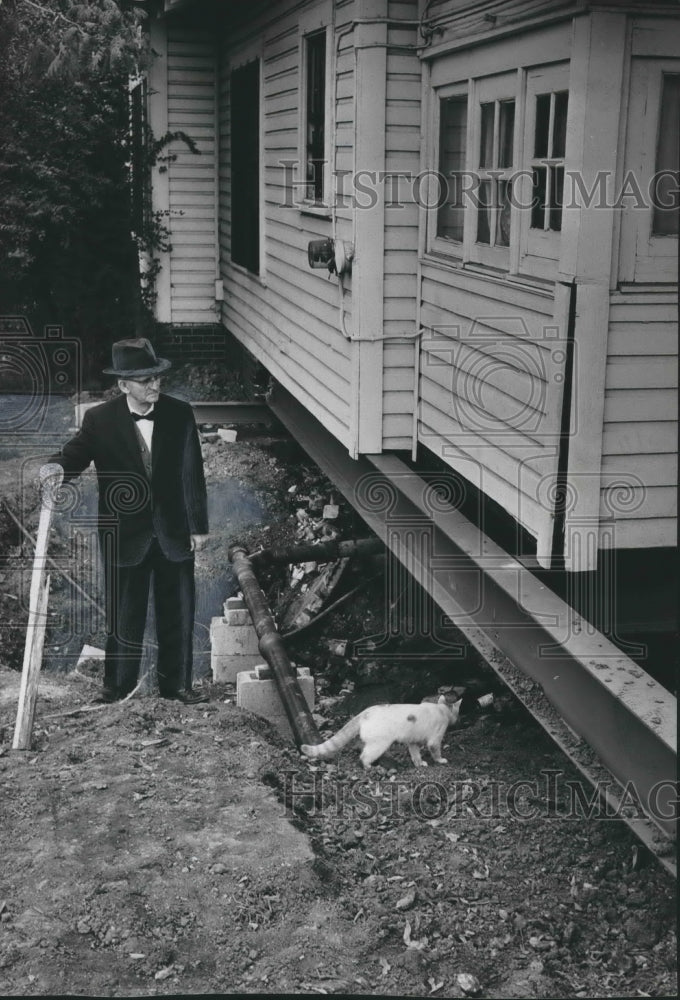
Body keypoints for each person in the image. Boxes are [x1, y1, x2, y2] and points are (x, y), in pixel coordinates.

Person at [40, 337, 209, 704]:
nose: (155, 385)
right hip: (124, 534)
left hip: (173, 531)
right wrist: (55, 466)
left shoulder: (180, 414)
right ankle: (116, 689)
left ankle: (177, 687)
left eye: (157, 377)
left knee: (177, 611)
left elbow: (191, 472)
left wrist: (198, 526)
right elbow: (76, 454)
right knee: (123, 616)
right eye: (145, 379)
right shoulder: (99, 420)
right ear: (123, 385)